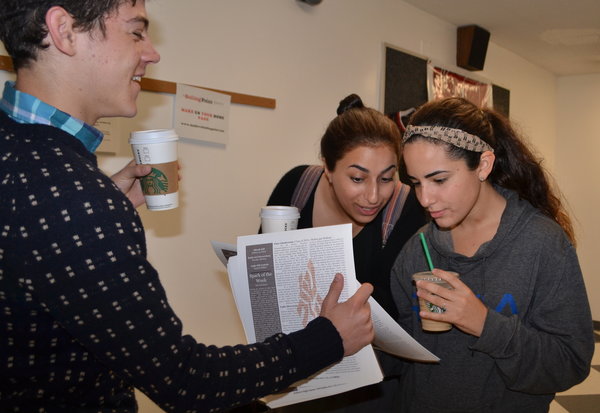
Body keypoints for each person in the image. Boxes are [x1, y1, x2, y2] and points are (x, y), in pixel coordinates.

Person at [0, 1, 376, 412]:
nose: (152, 52)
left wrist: (97, 206)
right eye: (136, 31)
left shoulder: (35, 170)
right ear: (63, 30)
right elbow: (186, 382)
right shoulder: (72, 198)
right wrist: (328, 338)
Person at [390, 96, 594, 412]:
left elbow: (569, 363)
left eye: (439, 179)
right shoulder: (417, 250)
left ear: (483, 165)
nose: (425, 198)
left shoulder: (543, 245)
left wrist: (485, 324)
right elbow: (405, 358)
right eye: (416, 183)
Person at [261, 94, 426, 412]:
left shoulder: (409, 212)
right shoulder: (297, 186)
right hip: (299, 371)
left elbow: (411, 317)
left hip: (370, 388)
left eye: (387, 178)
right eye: (357, 178)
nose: (373, 195)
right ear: (327, 168)